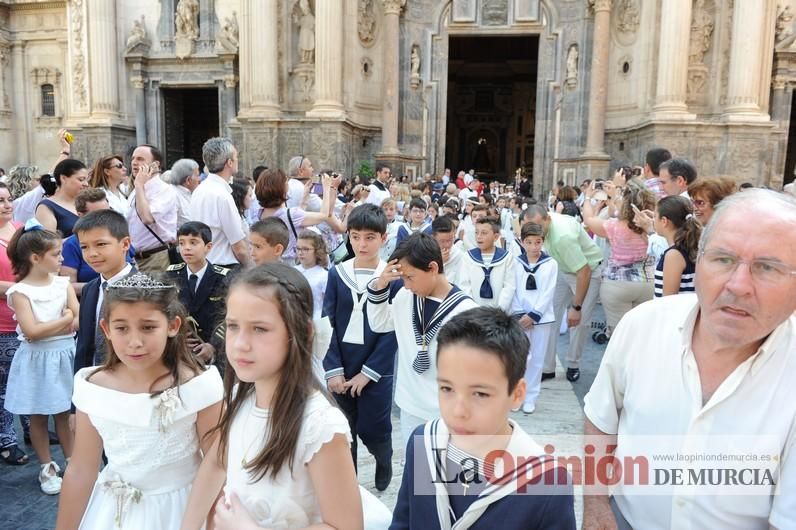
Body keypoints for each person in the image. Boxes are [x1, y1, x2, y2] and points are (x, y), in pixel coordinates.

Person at [583, 189, 796, 529]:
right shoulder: (643, 324)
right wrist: (595, 504)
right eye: (723, 259)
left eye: (767, 267)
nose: (738, 285)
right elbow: (601, 417)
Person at [180, 264, 391, 530]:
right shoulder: (239, 397)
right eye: (233, 326)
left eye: (259, 329)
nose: (240, 343)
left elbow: (345, 525)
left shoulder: (320, 426)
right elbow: (216, 463)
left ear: (301, 332)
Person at [55, 272, 223, 529]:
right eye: (122, 328)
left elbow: (217, 465)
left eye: (148, 327)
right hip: (113, 510)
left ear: (173, 326)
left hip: (181, 508)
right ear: (106, 329)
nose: (135, 342)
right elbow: (81, 469)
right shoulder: (93, 387)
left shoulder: (198, 385)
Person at [390, 307, 576, 529]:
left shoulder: (547, 483)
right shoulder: (423, 442)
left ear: (517, 394)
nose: (459, 411)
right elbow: (403, 521)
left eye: (480, 394)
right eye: (447, 388)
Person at [367, 233, 478, 445]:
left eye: (410, 277)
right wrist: (380, 285)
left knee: (448, 474)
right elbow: (379, 323)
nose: (406, 285)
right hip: (410, 404)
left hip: (449, 412)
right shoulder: (405, 298)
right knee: (418, 471)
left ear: (433, 268)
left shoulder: (467, 313)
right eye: (402, 279)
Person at [323, 204, 397, 492]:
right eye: (355, 237)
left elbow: (392, 332)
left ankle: (384, 456)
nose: (361, 244)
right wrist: (333, 369)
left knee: (372, 426)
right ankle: (348, 484)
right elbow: (327, 322)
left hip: (376, 366)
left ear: (383, 238)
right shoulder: (337, 273)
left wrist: (369, 372)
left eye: (369, 237)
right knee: (344, 429)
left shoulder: (392, 277)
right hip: (343, 361)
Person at [4, 222, 78, 494]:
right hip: (36, 359)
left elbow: (77, 318)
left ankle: (72, 463)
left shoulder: (62, 283)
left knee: (63, 413)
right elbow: (32, 331)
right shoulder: (20, 292)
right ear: (36, 258)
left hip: (63, 354)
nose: (62, 259)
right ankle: (46, 466)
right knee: (37, 416)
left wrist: (68, 319)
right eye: (56, 254)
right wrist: (66, 318)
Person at [525, 204, 603, 382]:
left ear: (548, 219)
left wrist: (576, 306)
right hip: (564, 268)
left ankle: (573, 364)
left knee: (578, 321)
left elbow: (584, 271)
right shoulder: (541, 222)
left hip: (587, 271)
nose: (535, 231)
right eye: (530, 227)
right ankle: (547, 367)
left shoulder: (562, 237)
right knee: (549, 315)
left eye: (538, 226)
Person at [582, 180, 657, 335]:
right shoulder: (653, 227)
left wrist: (588, 198)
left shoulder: (614, 226)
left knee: (619, 336)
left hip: (617, 284)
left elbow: (588, 220)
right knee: (641, 334)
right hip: (648, 283)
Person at [72, 210, 134, 374]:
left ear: (125, 244)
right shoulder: (90, 289)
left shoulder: (146, 289)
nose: (92, 253)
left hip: (129, 381)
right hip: (92, 381)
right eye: (84, 247)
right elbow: (84, 344)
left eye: (101, 244)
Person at [166, 221, 231, 367]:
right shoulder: (171, 274)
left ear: (208, 247)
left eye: (193, 242)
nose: (186, 248)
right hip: (178, 347)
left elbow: (228, 317)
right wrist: (177, 334)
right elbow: (163, 311)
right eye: (181, 243)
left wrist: (213, 346)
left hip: (213, 348)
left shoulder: (223, 278)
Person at [509, 222, 558, 414]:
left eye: (537, 242)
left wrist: (534, 315)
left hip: (541, 318)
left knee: (537, 359)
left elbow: (548, 292)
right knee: (521, 358)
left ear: (543, 242)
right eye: (529, 242)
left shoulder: (550, 264)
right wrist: (521, 315)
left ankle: (531, 397)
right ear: (522, 242)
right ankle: (517, 396)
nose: (533, 247)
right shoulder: (515, 262)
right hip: (520, 318)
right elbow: (513, 289)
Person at [255, 169, 343, 263]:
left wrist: (304, 198)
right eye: (286, 183)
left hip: (275, 262)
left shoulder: (261, 214)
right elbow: (324, 215)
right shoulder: (291, 214)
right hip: (293, 264)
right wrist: (327, 188)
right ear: (280, 189)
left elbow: (294, 218)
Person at [60, 188, 136, 295]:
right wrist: (100, 287)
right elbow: (68, 285)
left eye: (108, 211)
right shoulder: (71, 244)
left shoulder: (117, 233)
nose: (105, 219)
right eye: (84, 247)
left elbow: (133, 263)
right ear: (80, 215)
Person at [191, 138, 250, 269]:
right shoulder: (222, 196)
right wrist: (252, 270)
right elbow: (239, 247)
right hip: (223, 268)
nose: (237, 160)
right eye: (236, 157)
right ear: (229, 162)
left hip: (204, 266)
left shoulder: (199, 190)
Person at [0, 183, 26, 465]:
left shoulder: (20, 228)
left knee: (29, 379)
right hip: (4, 322)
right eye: (0, 200)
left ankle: (34, 429)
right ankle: (6, 438)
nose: (7, 205)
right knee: (4, 384)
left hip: (30, 318)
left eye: (9, 199)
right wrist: (25, 288)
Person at [127, 144, 177, 272]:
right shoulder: (137, 189)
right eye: (133, 158)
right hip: (134, 259)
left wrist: (138, 184)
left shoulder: (164, 190)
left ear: (155, 165)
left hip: (156, 258)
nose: (134, 163)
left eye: (140, 159)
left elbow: (147, 218)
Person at [294, 229, 331, 381]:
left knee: (316, 365)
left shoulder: (324, 275)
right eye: (298, 249)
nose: (301, 253)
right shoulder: (294, 271)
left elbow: (328, 305)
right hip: (294, 321)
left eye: (306, 249)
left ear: (317, 251)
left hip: (317, 325)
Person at [648, 195, 701, 297]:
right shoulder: (689, 247)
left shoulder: (674, 255)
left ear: (664, 221)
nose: (653, 220)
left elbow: (669, 299)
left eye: (654, 216)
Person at [458, 216, 516, 311]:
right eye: (476, 232)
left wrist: (499, 310)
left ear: (496, 236)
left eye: (484, 233)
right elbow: (464, 286)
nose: (479, 236)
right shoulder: (467, 257)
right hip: (474, 313)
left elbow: (509, 287)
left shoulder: (507, 257)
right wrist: (474, 310)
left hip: (500, 313)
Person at [36, 159, 90, 238]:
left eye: (87, 180)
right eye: (81, 179)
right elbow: (48, 244)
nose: (86, 184)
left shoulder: (87, 202)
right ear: (63, 178)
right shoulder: (46, 207)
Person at [431, 215, 466, 287]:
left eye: (450, 240)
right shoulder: (426, 252)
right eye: (442, 241)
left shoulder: (459, 255)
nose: (447, 245)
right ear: (433, 237)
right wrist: (439, 262)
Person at [168, 158, 201, 227]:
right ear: (188, 180)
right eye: (197, 175)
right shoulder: (172, 195)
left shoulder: (188, 194)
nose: (199, 179)